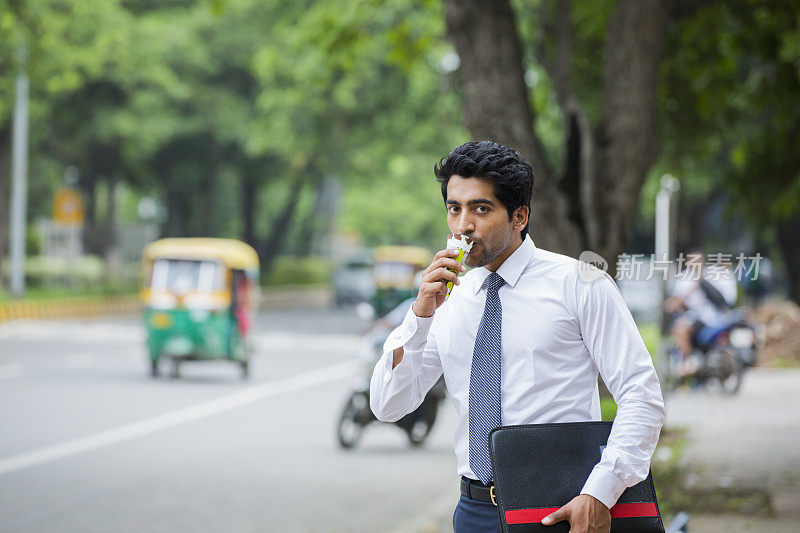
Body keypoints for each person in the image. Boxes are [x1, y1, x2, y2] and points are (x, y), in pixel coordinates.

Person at [369, 141, 666, 533]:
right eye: (454, 209)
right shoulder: (446, 299)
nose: (462, 226)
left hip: (560, 506)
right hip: (474, 510)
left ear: (520, 216)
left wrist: (600, 492)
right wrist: (418, 317)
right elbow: (388, 405)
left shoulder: (580, 283)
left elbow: (640, 394)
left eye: (480, 208)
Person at [665, 250, 737, 374]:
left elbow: (724, 296)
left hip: (711, 318)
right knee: (680, 327)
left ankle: (690, 362)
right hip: (693, 317)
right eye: (692, 261)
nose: (695, 264)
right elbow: (678, 300)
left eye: (698, 261)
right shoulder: (683, 278)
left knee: (680, 328)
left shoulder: (713, 275)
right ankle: (688, 360)